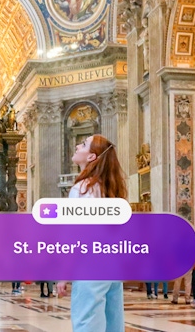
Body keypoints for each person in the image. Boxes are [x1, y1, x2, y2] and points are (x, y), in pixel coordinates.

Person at [56, 134, 128, 332]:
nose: (78, 145)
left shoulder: (82, 189)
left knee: (87, 324)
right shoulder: (109, 189)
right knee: (113, 326)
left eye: (84, 144)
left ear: (91, 157)